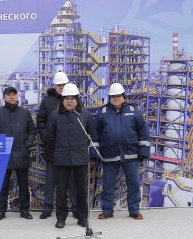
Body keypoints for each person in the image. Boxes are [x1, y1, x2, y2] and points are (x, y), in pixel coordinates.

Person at [91, 83, 150, 220]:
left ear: (123, 97)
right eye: (113, 96)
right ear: (110, 98)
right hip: (109, 155)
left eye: (118, 96)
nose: (116, 98)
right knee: (108, 185)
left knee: (134, 184)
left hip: (130, 154)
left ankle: (134, 211)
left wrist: (143, 151)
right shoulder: (102, 113)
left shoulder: (133, 112)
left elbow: (143, 132)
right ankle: (107, 210)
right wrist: (95, 153)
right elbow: (94, 134)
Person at [46, 83, 94, 228]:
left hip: (80, 158)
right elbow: (50, 137)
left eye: (72, 98)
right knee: (61, 190)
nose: (69, 101)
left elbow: (91, 134)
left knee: (81, 190)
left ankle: (82, 217)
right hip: (62, 158)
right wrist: (58, 149)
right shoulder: (55, 115)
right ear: (63, 100)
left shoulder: (84, 115)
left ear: (77, 100)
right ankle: (61, 218)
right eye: (67, 98)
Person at [0, 86, 37, 220]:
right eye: (9, 94)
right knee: (3, 184)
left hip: (21, 153)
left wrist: (27, 145)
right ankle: (1, 211)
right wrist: (0, 146)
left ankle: (24, 210)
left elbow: (32, 131)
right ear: (4, 97)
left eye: (14, 94)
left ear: (17, 96)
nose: (12, 97)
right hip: (4, 155)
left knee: (23, 184)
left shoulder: (24, 113)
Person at [37, 71, 77, 219]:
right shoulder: (47, 102)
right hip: (53, 148)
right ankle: (48, 208)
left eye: (63, 84)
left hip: (70, 148)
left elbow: (80, 120)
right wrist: (47, 137)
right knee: (51, 180)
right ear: (55, 86)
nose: (61, 87)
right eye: (59, 85)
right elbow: (40, 121)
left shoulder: (73, 99)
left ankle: (75, 207)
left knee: (72, 180)